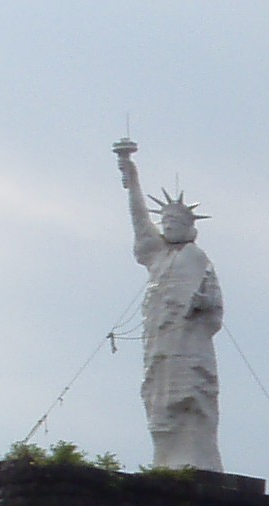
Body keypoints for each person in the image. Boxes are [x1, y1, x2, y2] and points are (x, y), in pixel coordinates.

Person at [114, 141, 223, 472]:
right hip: (160, 344)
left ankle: (198, 462)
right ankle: (167, 463)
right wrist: (131, 176)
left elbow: (215, 307)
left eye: (176, 223)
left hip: (189, 346)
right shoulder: (158, 256)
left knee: (191, 397)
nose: (169, 227)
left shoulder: (196, 258)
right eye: (167, 223)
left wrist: (203, 304)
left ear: (190, 227)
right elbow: (138, 218)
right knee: (158, 401)